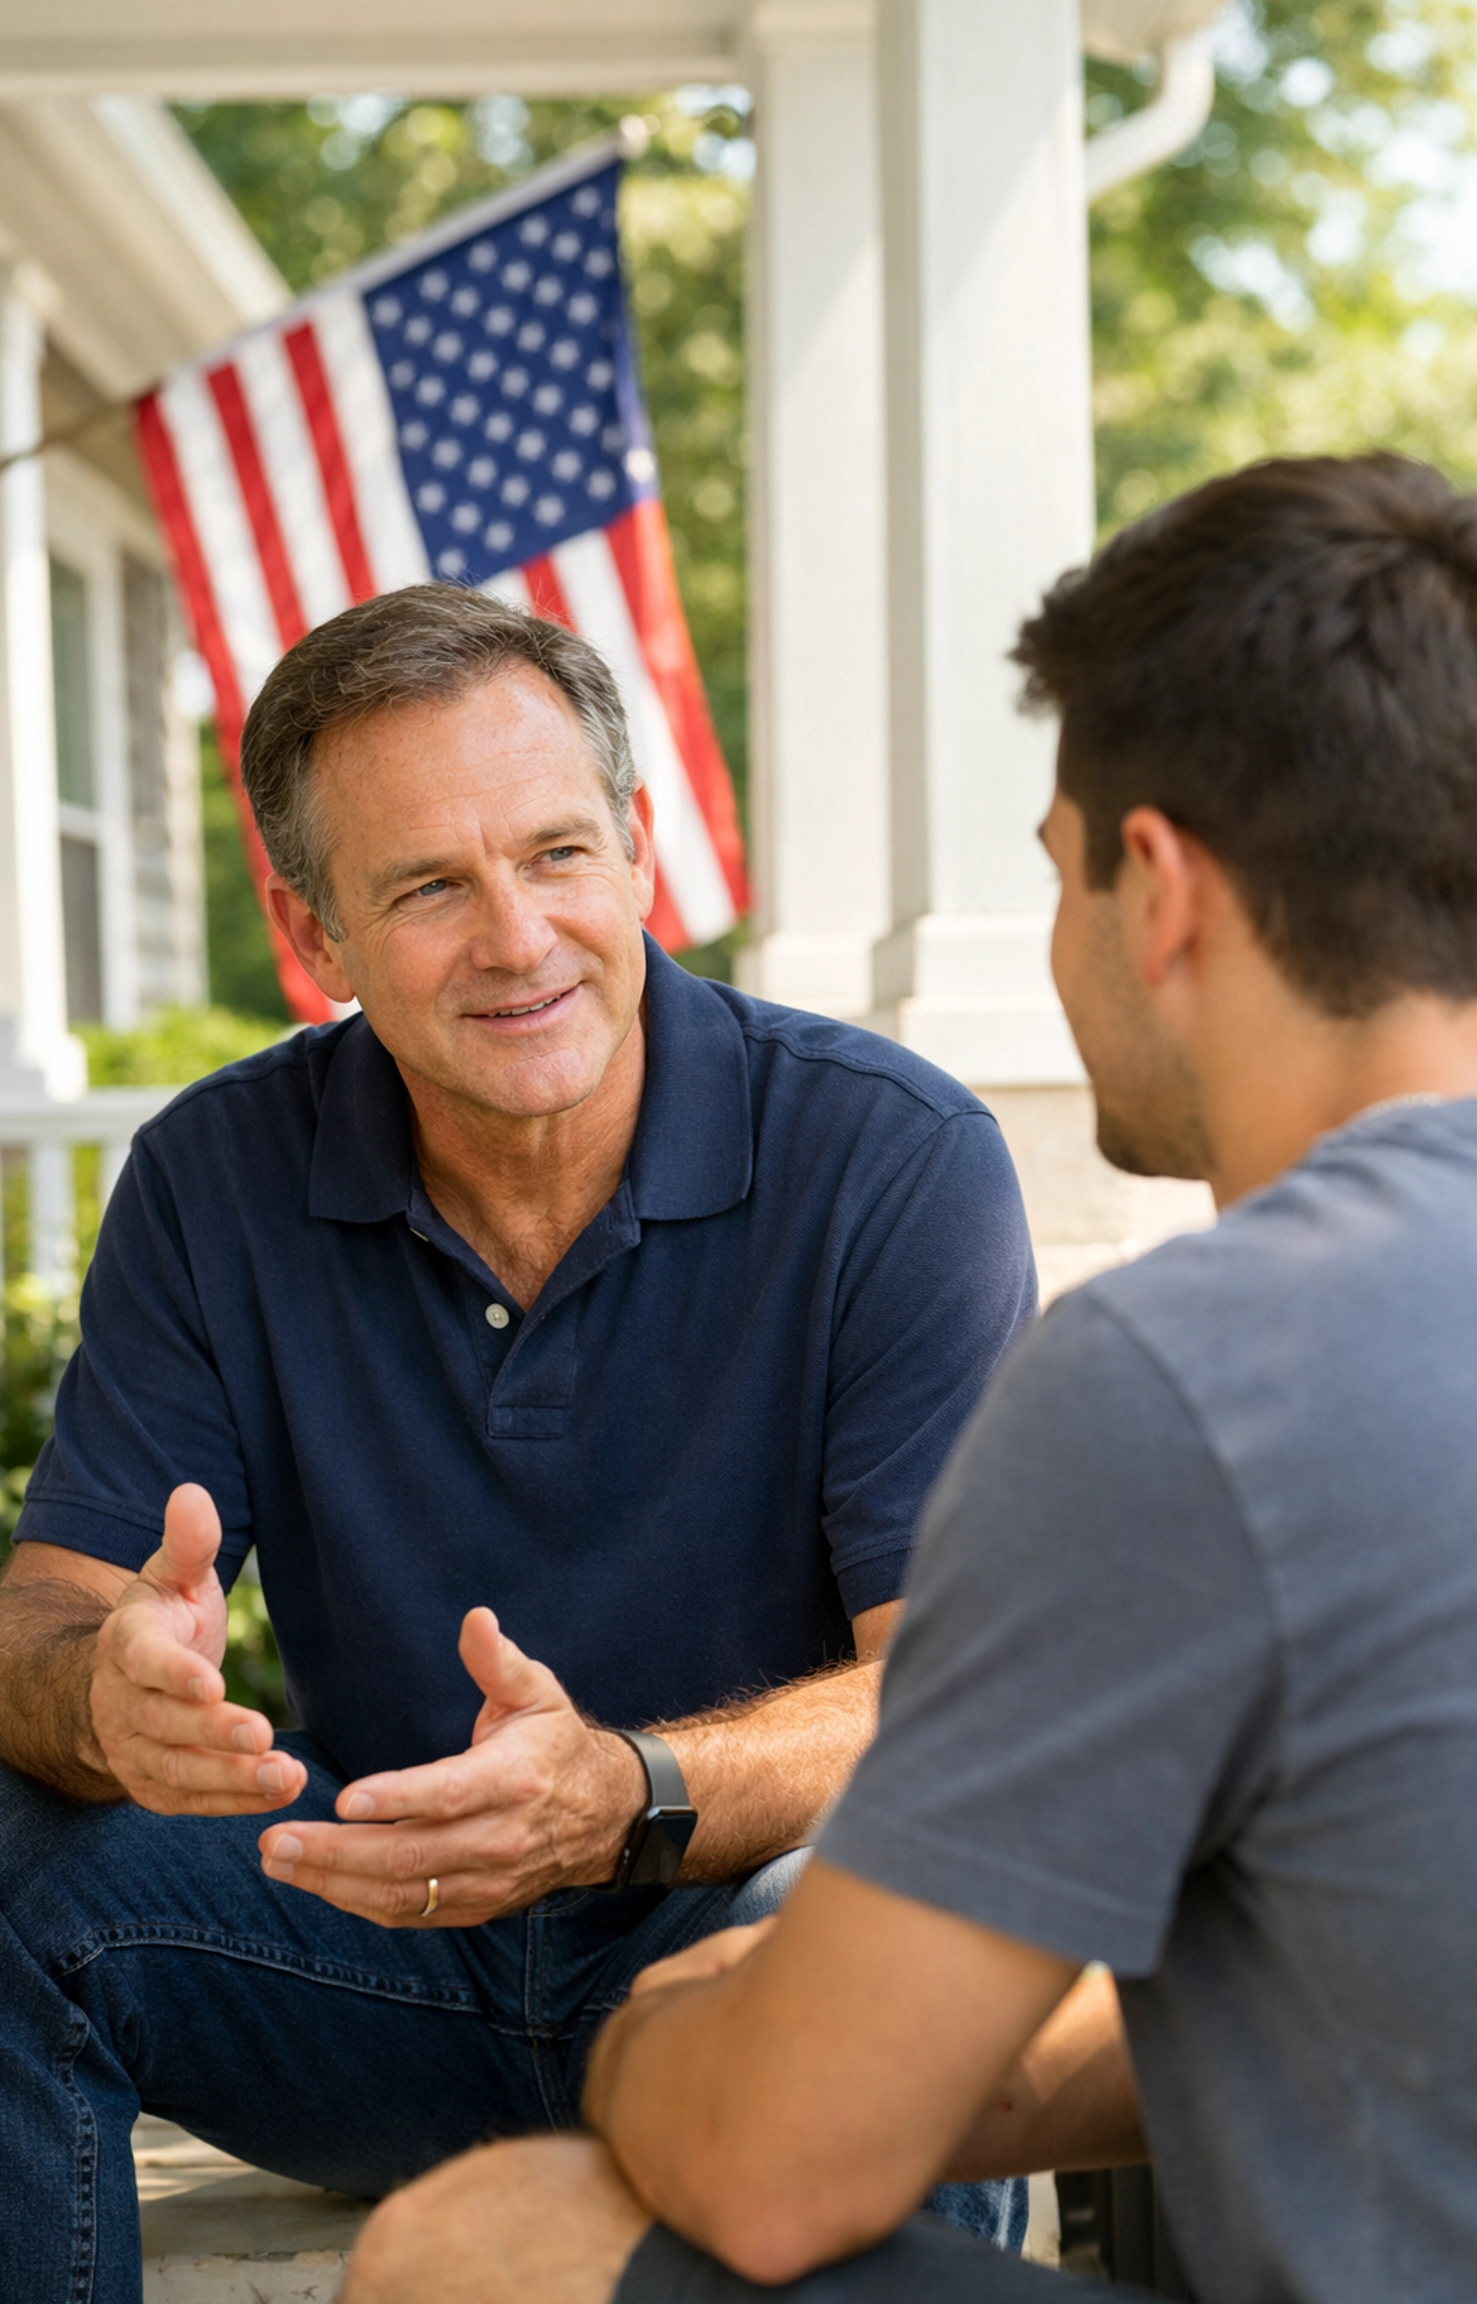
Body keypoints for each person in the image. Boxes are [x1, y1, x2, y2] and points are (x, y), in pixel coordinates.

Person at [339, 450, 1477, 2304]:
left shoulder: (1198, 1380)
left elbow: (781, 2177)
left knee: (484, 2240)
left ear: (1161, 893)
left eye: (1056, 875)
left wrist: (658, 2039)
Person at [0, 585, 1036, 2304]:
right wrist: (98, 1692)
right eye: (431, 887)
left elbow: (963, 1703)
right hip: (366, 1952)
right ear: (318, 938)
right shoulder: (216, 1178)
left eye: (555, 854)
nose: (518, 937)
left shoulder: (889, 1161)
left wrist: (626, 1793)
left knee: (848, 1923)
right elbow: (27, 1625)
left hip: (719, 1964)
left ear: (641, 849)